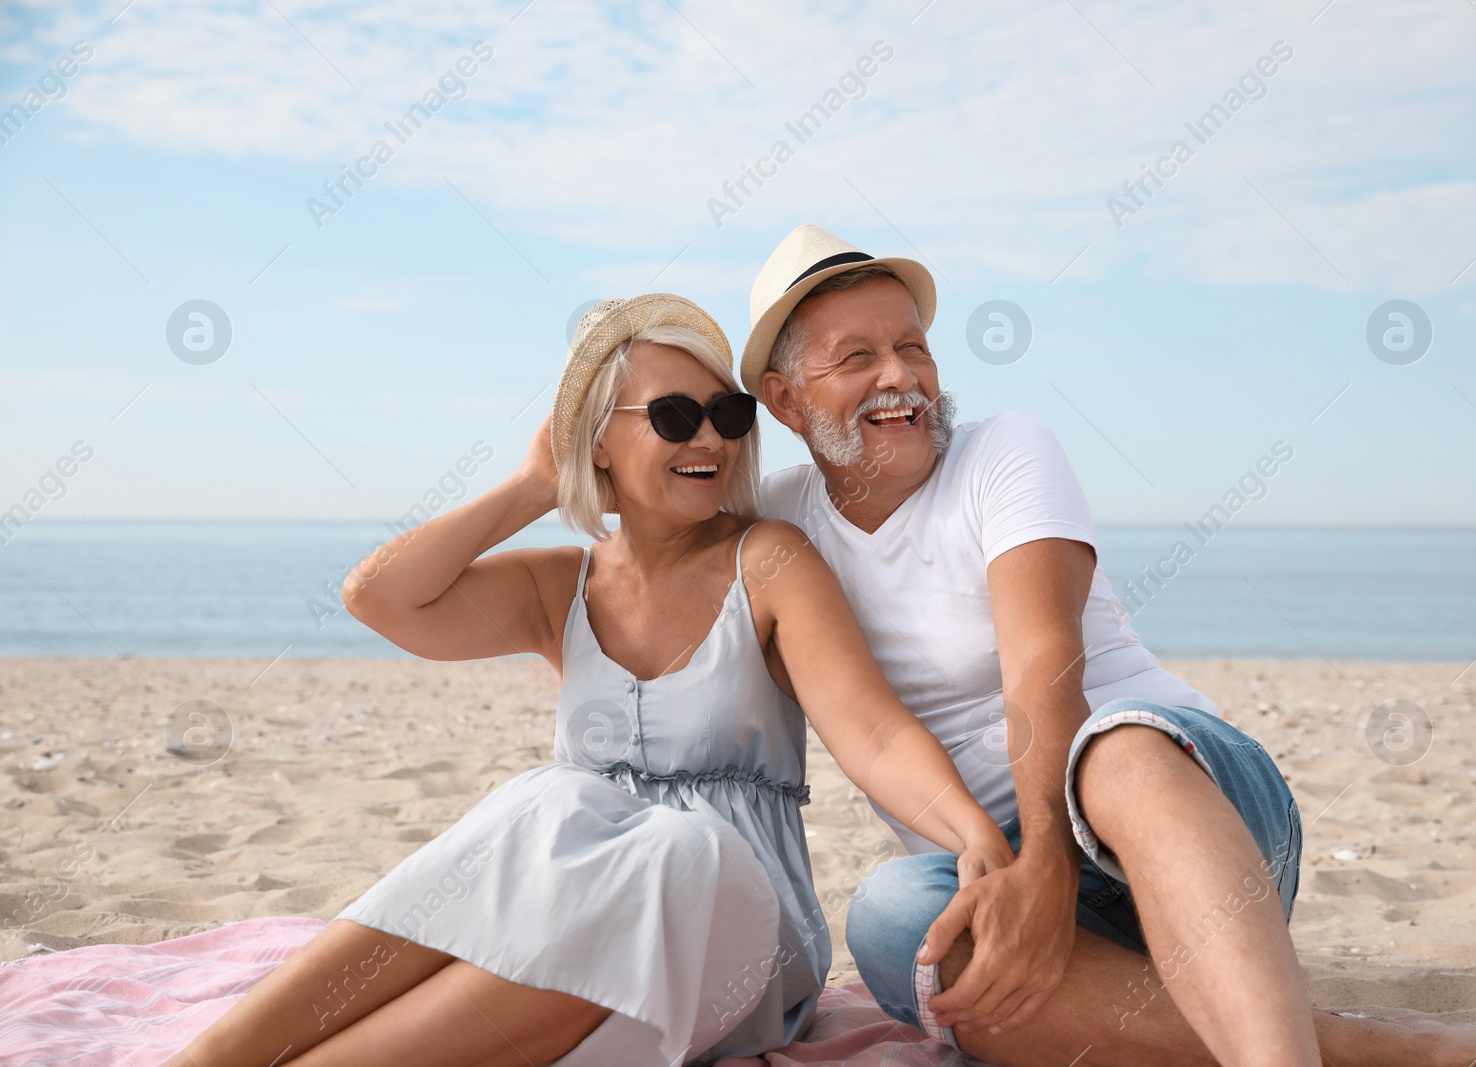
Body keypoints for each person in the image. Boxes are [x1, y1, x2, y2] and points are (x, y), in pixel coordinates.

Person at [739, 223, 1476, 1067]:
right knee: (892, 919)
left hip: (1190, 806)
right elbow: (664, 559)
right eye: (857, 358)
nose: (901, 377)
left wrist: (1048, 868)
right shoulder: (779, 529)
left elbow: (1044, 667)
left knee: (1110, 751)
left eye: (912, 347)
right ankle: (1381, 1048)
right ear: (783, 400)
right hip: (1004, 869)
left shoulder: (1003, 451)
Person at [161, 294, 1012, 1067]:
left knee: (661, 837)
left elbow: (871, 730)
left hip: (735, 930)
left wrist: (972, 833)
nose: (709, 438)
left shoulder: (771, 561)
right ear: (599, 438)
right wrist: (535, 484)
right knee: (551, 801)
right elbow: (378, 597)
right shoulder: (559, 588)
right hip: (572, 930)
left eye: (727, 413)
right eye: (675, 416)